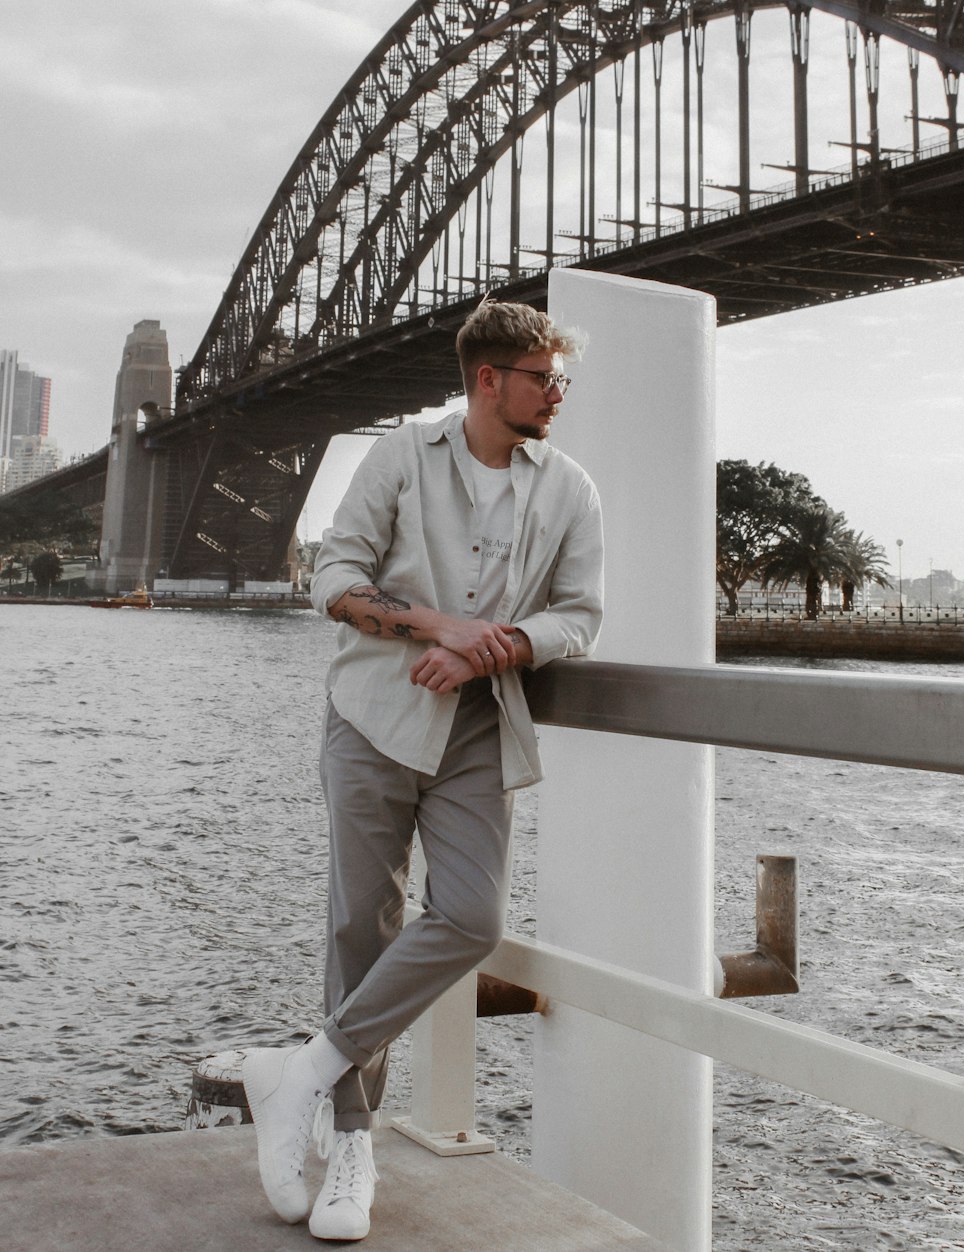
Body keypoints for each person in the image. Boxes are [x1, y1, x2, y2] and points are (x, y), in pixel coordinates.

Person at [241, 299, 604, 1241]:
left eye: (560, 378)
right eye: (542, 378)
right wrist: (438, 625)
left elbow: (581, 615)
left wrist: (496, 648)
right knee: (363, 924)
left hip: (479, 728)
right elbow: (334, 578)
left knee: (472, 916)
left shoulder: (570, 487)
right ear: (488, 380)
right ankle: (352, 1147)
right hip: (373, 717)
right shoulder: (401, 457)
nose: (557, 393)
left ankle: (304, 1076)